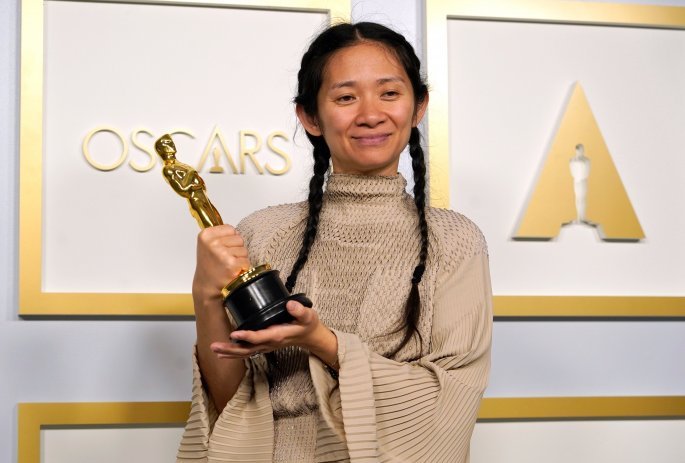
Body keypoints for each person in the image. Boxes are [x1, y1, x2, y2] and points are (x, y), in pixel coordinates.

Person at [176, 22, 492, 463]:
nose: (370, 114)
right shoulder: (263, 233)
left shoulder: (454, 241)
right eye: (346, 98)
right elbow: (231, 405)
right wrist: (206, 293)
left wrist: (323, 342)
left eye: (389, 93)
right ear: (310, 117)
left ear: (418, 106)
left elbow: (450, 402)